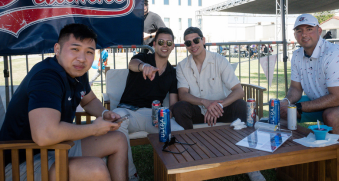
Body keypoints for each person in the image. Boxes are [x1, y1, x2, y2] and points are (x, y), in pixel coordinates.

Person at [0, 24, 128, 181]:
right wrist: (94, 129)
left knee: (118, 139)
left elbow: (89, 100)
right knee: (95, 169)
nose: (82, 58)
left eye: (89, 52)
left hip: (57, 147)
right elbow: (44, 135)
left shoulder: (78, 72)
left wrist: (104, 113)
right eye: (75, 49)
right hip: (21, 161)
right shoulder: (46, 78)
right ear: (57, 49)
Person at [172, 27, 265, 181]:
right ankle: (191, 159)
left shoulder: (219, 60)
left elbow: (238, 91)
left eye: (196, 40)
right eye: (188, 43)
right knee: (179, 108)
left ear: (203, 40)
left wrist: (219, 105)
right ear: (185, 46)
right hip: (199, 111)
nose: (193, 45)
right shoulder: (182, 65)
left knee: (241, 105)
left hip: (222, 110)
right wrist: (205, 103)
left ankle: (251, 164)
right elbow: (183, 94)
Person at [280, 13, 339, 180]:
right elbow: (295, 89)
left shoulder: (334, 53)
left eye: (309, 29)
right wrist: (286, 102)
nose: (304, 34)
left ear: (319, 31)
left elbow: (337, 99)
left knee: (331, 116)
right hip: (317, 101)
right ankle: (289, 165)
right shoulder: (297, 55)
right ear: (295, 35)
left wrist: (298, 107)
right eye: (299, 30)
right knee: (283, 111)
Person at [113, 27, 184, 180]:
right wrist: (143, 67)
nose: (164, 45)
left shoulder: (172, 73)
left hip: (152, 115)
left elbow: (172, 104)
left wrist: (167, 114)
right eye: (161, 42)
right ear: (154, 44)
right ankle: (131, 175)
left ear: (172, 46)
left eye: (168, 42)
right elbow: (133, 64)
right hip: (128, 111)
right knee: (117, 121)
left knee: (179, 131)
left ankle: (173, 172)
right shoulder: (144, 58)